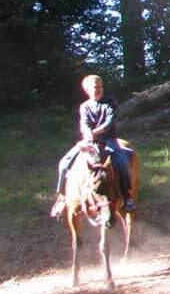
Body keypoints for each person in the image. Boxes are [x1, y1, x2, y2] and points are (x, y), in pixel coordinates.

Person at [50, 75, 136, 217]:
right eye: (95, 88)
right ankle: (61, 197)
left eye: (100, 87)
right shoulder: (84, 107)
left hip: (109, 140)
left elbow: (109, 123)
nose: (99, 90)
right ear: (87, 90)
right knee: (64, 163)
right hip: (90, 141)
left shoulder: (110, 102)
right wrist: (87, 135)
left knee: (121, 161)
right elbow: (84, 124)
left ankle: (127, 197)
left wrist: (92, 133)